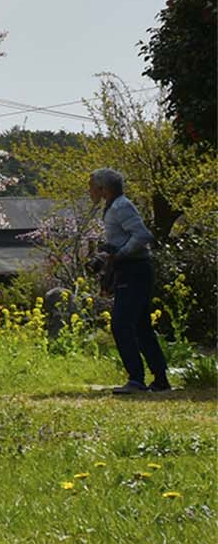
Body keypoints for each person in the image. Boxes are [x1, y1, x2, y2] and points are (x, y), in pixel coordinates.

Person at [90, 168, 170, 394]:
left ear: (104, 189)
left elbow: (143, 236)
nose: (90, 191)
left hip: (134, 270)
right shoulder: (115, 206)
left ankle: (136, 379)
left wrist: (119, 254)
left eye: (92, 186)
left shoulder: (120, 206)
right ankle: (160, 379)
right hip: (135, 270)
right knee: (142, 325)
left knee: (121, 324)